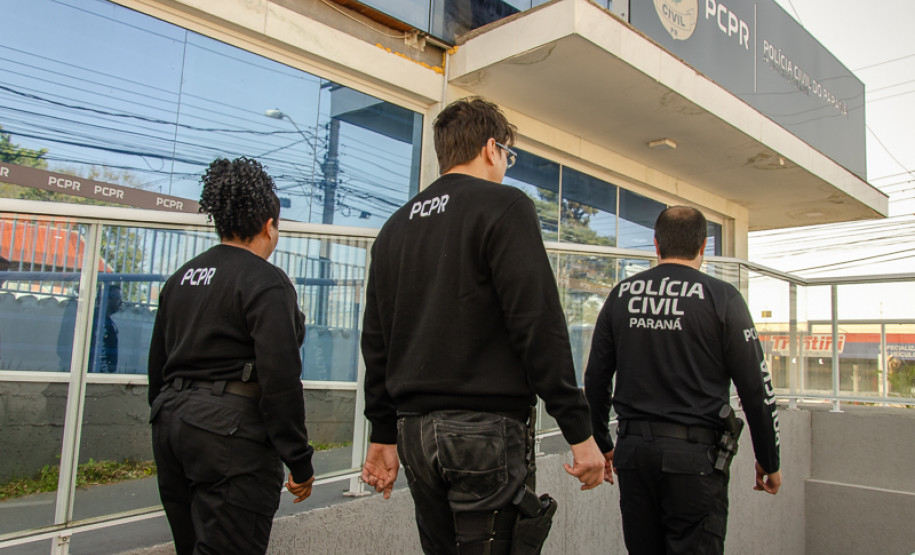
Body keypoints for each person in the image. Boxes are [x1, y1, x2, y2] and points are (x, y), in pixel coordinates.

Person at [361, 97, 606, 554]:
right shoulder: (504, 206)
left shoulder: (394, 228)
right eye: (507, 156)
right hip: (485, 432)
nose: (506, 168)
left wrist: (381, 431)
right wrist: (579, 430)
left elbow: (375, 341)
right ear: (492, 148)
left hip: (414, 434)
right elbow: (537, 323)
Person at [584, 205, 782, 554]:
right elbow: (756, 388)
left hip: (634, 455)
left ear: (656, 244)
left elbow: (596, 378)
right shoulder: (722, 297)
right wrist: (769, 458)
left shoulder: (623, 294)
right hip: (694, 461)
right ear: (703, 246)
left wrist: (603, 443)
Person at [148, 157, 315, 555]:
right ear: (268, 226)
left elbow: (158, 366)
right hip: (230, 433)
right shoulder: (265, 281)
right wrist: (299, 459)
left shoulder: (180, 278)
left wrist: (170, 416)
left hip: (170, 423)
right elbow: (280, 376)